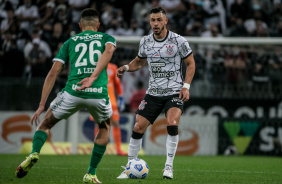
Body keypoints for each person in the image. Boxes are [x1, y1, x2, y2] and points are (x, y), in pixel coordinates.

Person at [15, 8, 116, 183]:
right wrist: (92, 77)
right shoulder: (107, 38)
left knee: (45, 124)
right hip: (98, 92)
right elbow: (109, 52)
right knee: (105, 127)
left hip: (72, 92)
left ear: (80, 25)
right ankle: (91, 174)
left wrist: (41, 105)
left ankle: (34, 153)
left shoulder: (70, 41)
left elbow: (53, 72)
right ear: (98, 25)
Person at [116, 6, 195, 180]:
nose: (156, 23)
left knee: (172, 123)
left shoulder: (178, 41)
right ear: (149, 22)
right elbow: (139, 61)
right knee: (137, 127)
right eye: (153, 20)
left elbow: (191, 63)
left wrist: (186, 86)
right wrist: (127, 67)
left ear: (166, 21)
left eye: (159, 20)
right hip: (153, 92)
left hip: (174, 91)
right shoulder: (145, 41)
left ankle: (168, 167)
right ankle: (129, 168)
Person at [89, 62, 127, 156]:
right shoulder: (94, 66)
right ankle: (97, 148)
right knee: (98, 124)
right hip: (98, 99)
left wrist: (121, 98)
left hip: (111, 101)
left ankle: (118, 149)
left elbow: (117, 84)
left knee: (115, 123)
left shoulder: (113, 67)